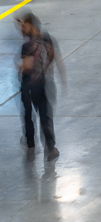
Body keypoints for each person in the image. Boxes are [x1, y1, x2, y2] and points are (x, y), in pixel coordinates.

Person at [15, 11, 64, 161]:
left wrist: (21, 66)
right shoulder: (47, 39)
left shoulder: (27, 46)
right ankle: (50, 148)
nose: (21, 30)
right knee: (44, 116)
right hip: (41, 83)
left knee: (28, 114)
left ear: (30, 25)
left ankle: (30, 142)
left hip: (29, 85)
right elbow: (54, 57)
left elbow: (28, 65)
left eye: (23, 26)